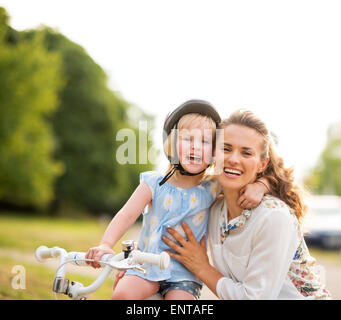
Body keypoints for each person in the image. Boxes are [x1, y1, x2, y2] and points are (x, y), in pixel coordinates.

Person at [85, 101, 270, 300]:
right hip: (146, 264)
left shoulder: (213, 187)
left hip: (184, 273)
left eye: (205, 142)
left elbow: (255, 178)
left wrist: (261, 185)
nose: (196, 147)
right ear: (172, 144)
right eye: (187, 139)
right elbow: (127, 215)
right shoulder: (154, 183)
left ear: (214, 152)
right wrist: (106, 244)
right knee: (123, 295)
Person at [163, 109, 331, 300]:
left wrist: (202, 267)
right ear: (212, 155)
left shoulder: (274, 217)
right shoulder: (216, 208)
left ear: (262, 164)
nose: (234, 159)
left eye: (246, 153)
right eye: (226, 149)